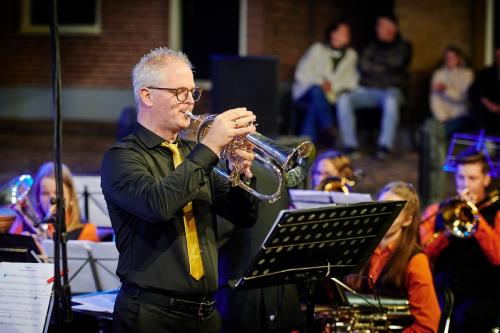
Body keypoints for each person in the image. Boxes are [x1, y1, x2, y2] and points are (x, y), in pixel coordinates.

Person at [100, 47, 259, 333]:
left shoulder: (195, 155)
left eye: (193, 92)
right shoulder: (121, 157)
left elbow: (245, 216)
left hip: (206, 315)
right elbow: (157, 205)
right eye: (180, 92)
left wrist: (240, 173)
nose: (190, 102)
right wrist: (211, 146)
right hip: (150, 316)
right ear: (147, 96)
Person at [420, 149, 500, 333]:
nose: (466, 184)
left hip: (483, 293)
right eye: (461, 178)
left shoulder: (495, 211)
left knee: (471, 316)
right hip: (444, 290)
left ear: (486, 180)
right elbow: (422, 255)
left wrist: (475, 217)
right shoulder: (438, 210)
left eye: (473, 178)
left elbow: (497, 256)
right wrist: (447, 232)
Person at [347, 181, 441, 333]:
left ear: (408, 220)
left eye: (393, 209)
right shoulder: (361, 251)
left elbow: (428, 325)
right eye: (382, 206)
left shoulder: (416, 260)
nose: (384, 214)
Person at [336, 14, 412, 160]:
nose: (379, 29)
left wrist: (376, 69)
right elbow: (364, 67)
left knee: (391, 100)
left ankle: (384, 146)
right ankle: (350, 145)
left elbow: (397, 64)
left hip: (391, 90)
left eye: (382, 25)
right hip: (369, 90)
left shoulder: (403, 46)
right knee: (344, 98)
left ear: (393, 27)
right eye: (378, 25)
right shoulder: (371, 46)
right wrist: (384, 70)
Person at [293, 20, 358, 146]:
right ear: (333, 34)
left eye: (348, 33)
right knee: (316, 91)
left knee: (314, 106)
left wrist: (333, 87)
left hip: (333, 96)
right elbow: (301, 74)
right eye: (344, 32)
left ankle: (306, 145)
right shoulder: (317, 49)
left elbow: (352, 80)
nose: (347, 35)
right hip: (307, 92)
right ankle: (328, 126)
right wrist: (321, 83)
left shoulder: (351, 56)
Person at [9, 161, 99, 242]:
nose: (51, 199)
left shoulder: (87, 231)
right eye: (45, 193)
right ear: (37, 197)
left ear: (70, 195)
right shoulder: (23, 225)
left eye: (57, 192)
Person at [429, 45, 474, 137]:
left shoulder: (467, 74)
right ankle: (435, 151)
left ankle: (441, 151)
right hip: (442, 116)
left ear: (459, 59)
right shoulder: (438, 74)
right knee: (429, 129)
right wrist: (442, 117)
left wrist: (446, 89)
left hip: (461, 115)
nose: (449, 60)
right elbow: (435, 99)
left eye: (452, 58)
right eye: (447, 58)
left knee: (440, 132)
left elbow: (463, 97)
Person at [469, 45, 500, 135]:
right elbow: (474, 91)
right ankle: (486, 143)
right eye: (498, 57)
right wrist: (489, 104)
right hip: (488, 116)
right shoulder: (485, 74)